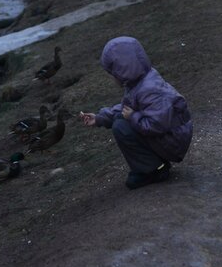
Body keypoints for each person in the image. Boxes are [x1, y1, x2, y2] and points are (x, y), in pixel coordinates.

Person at [79, 36, 193, 190]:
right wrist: (100, 118)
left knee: (121, 126)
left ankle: (154, 170)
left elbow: (157, 125)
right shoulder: (139, 82)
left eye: (112, 73)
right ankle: (153, 163)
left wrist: (133, 117)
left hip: (173, 142)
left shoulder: (150, 90)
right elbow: (125, 108)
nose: (112, 77)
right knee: (121, 119)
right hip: (170, 135)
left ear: (122, 69)